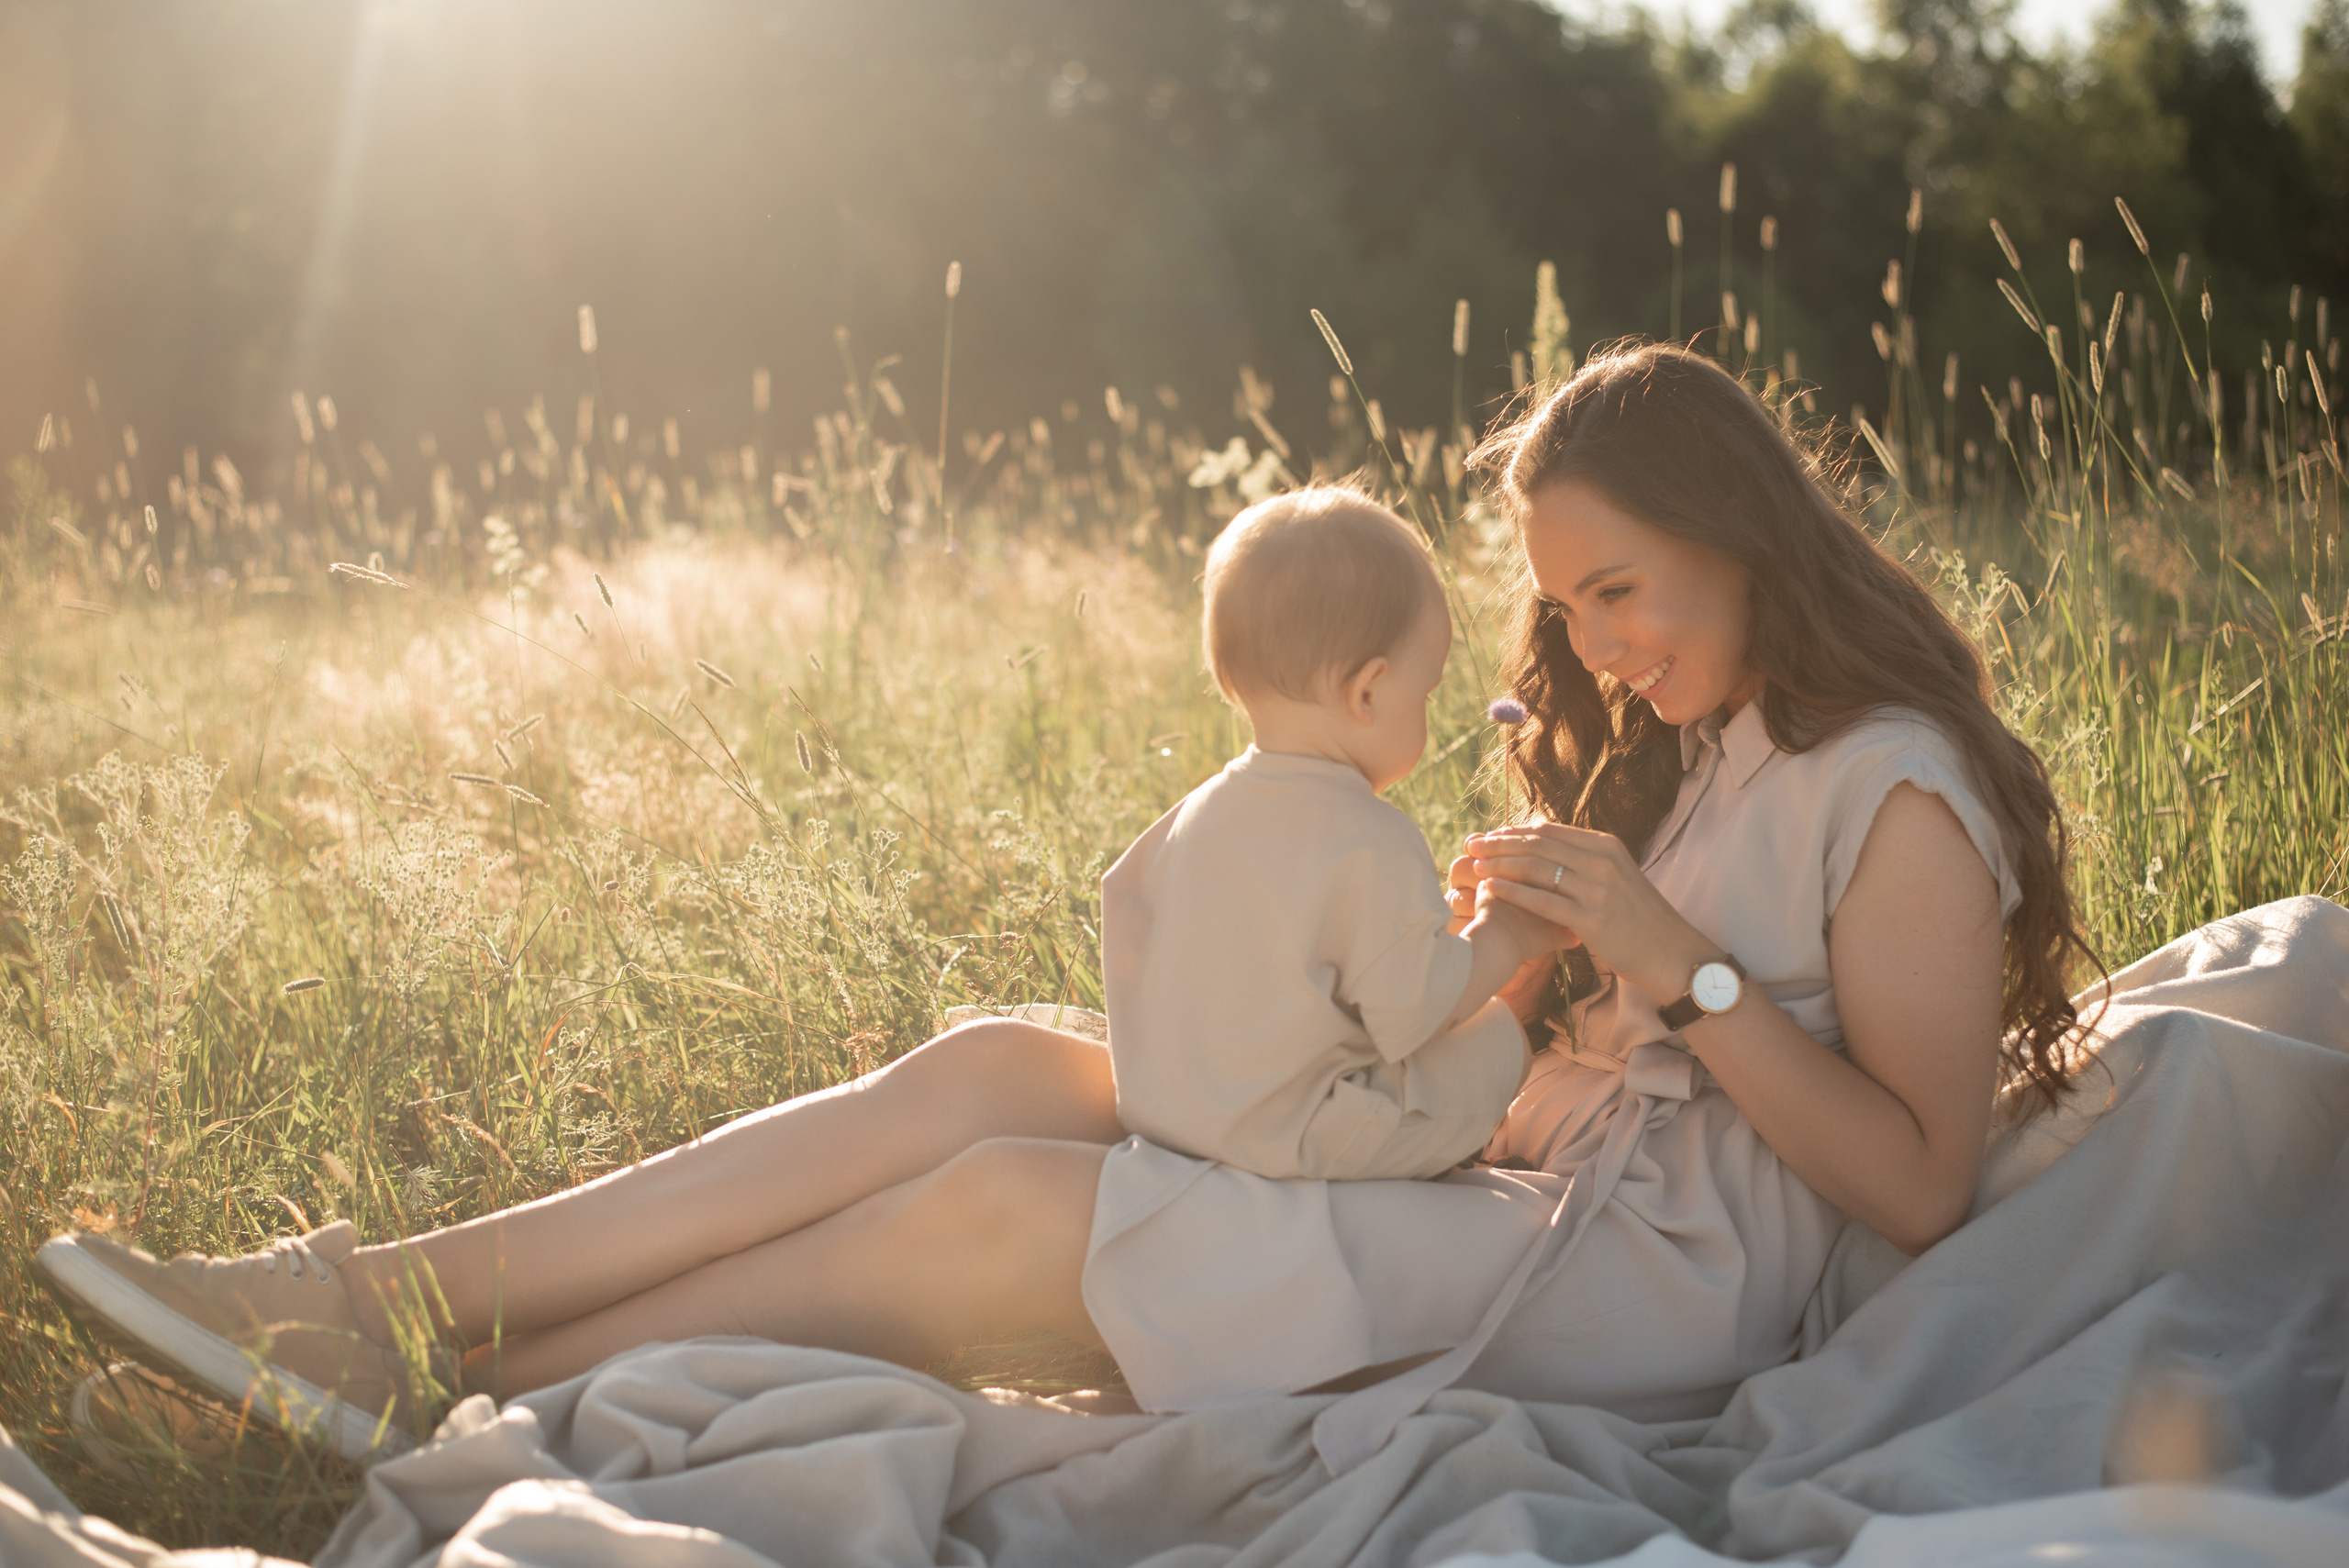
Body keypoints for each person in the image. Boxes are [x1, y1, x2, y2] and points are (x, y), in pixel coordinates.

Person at [36, 341, 2098, 1474]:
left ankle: (436, 1380)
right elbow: (1631, 1013)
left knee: (1015, 1203)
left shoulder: (1894, 783)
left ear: (1732, 532)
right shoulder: (1722, 739)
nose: (1588, 641)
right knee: (997, 1062)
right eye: (1560, 605)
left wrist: (1675, 964)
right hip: (1532, 1169)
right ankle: (373, 1284)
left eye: (1612, 589)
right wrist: (1541, 974)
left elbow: (1912, 1184)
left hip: (1642, 1281)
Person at [1102, 484, 1551, 1184]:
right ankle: (1453, 1167)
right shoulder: (1369, 837)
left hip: (1173, 1122)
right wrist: (1508, 933)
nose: (1426, 714)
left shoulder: (1191, 818)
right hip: (1298, 1143)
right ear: (1369, 693)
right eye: (1425, 692)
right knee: (1497, 1039)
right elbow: (1417, 1013)